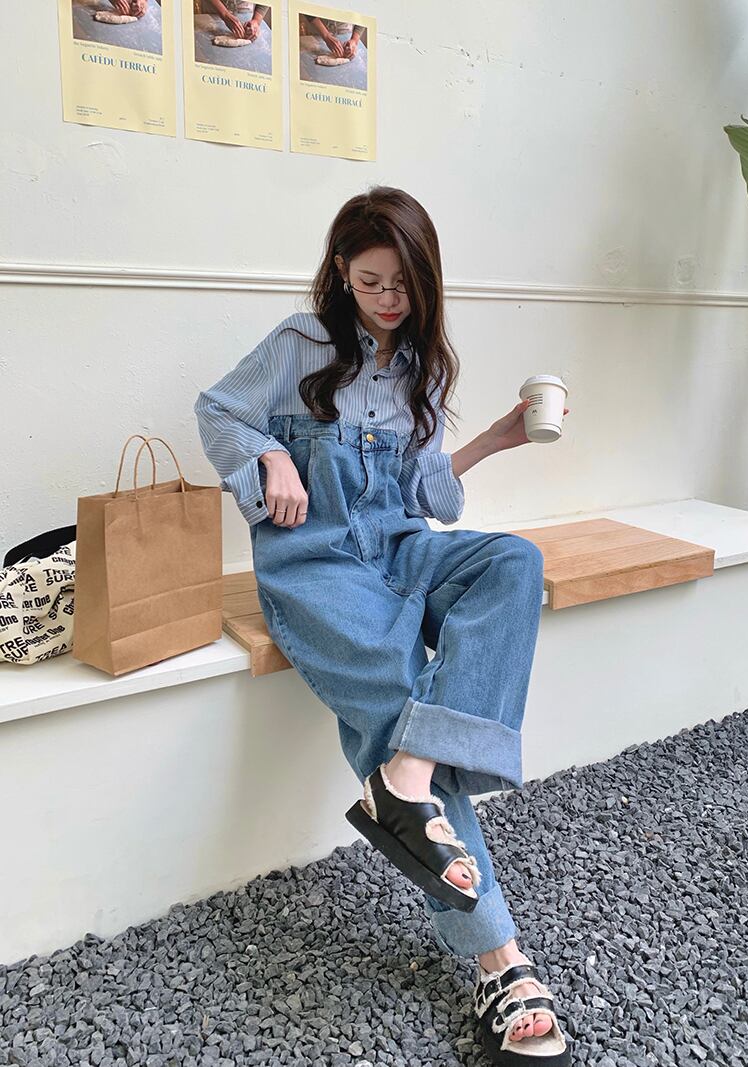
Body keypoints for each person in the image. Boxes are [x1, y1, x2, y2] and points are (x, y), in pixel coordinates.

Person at [194, 187, 572, 1065]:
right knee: (405, 700)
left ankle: (405, 778)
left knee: (513, 563)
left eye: (403, 283)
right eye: (370, 282)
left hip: (399, 545)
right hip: (318, 563)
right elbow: (218, 410)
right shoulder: (299, 344)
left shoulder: (420, 368)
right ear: (340, 273)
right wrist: (270, 453)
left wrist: (497, 439)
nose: (388, 299)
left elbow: (421, 493)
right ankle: (501, 962)